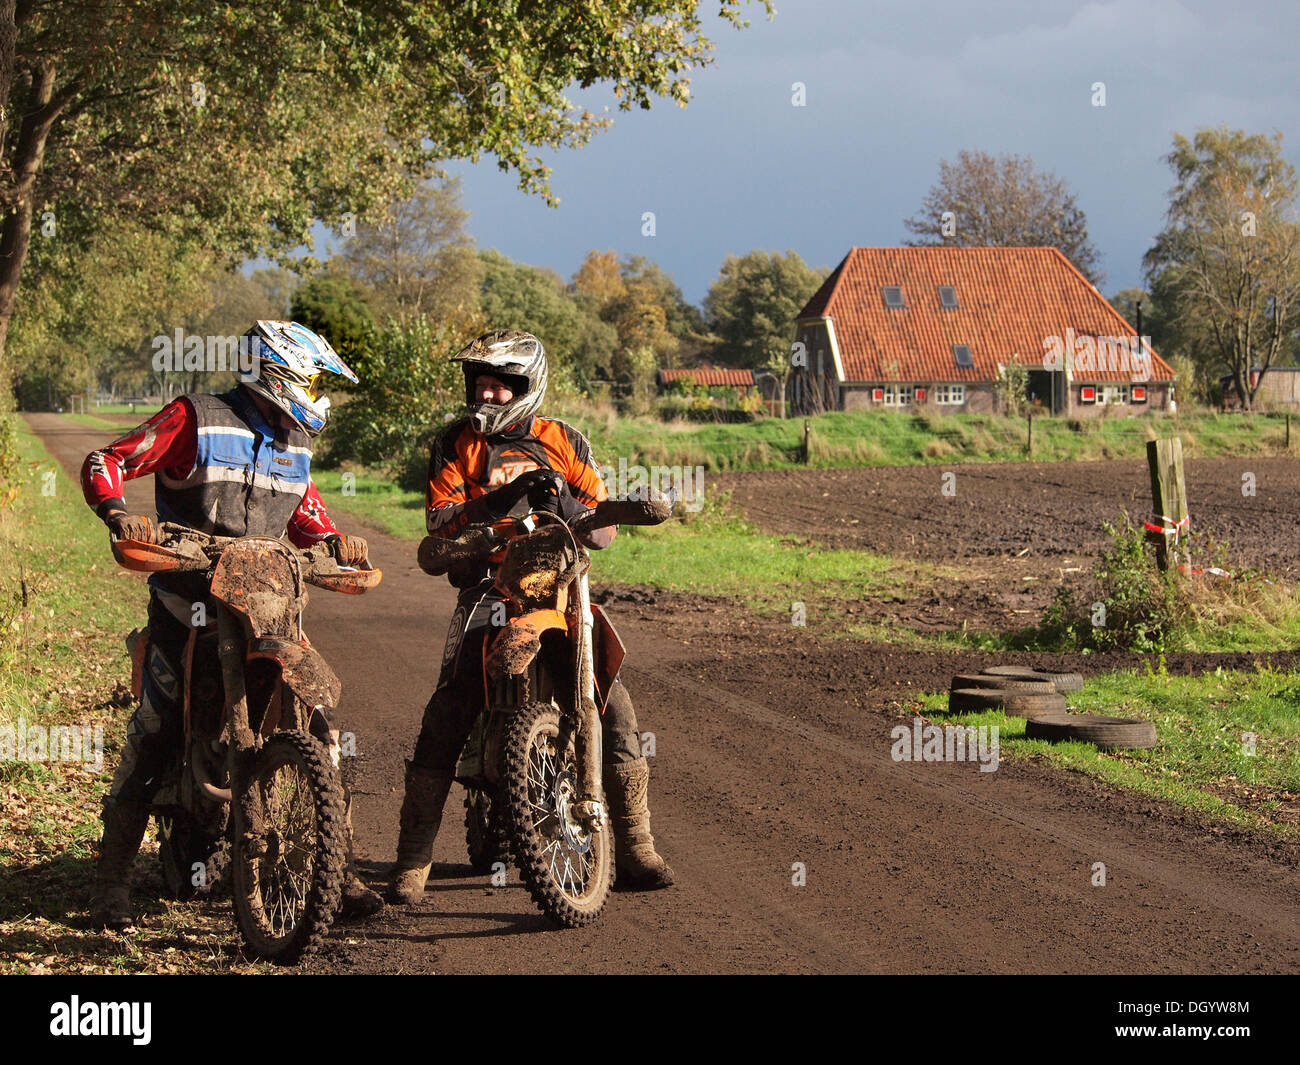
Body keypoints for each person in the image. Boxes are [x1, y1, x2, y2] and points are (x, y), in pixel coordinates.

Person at [80, 320, 383, 928]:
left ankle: (333, 868)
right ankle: (109, 883)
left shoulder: (294, 438)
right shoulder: (197, 418)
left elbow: (306, 511)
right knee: (157, 727)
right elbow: (107, 460)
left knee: (318, 723)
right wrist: (120, 515)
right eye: (310, 376)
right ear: (277, 371)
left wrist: (332, 541)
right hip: (186, 601)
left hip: (266, 602)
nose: (315, 389)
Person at [387, 329, 674, 905]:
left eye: (501, 386)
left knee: (615, 705)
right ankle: (413, 856)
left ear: (526, 386)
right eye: (482, 385)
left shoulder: (563, 439)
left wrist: (562, 500)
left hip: (564, 588)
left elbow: (606, 528)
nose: (489, 396)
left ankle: (637, 843)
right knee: (450, 705)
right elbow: (440, 523)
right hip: (490, 588)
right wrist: (498, 502)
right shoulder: (454, 442)